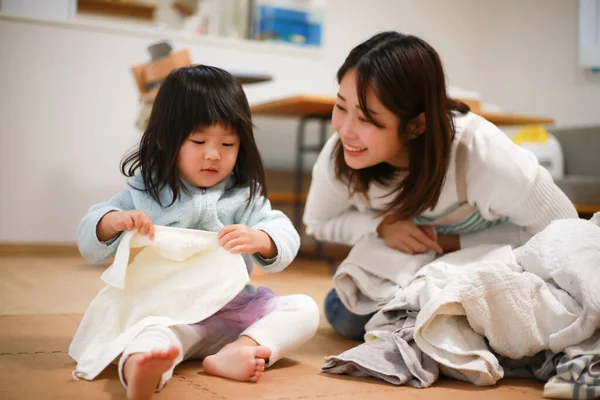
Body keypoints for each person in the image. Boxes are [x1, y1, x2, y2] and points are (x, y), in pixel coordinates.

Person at [303, 31, 577, 341]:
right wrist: (382, 226)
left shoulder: (482, 155)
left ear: (416, 124)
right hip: (414, 270)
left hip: (494, 260)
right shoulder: (339, 157)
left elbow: (564, 232)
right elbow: (318, 222)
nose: (346, 130)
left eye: (366, 119)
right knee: (346, 313)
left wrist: (449, 243)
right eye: (341, 107)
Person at [76, 65, 319, 399]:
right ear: (164, 139)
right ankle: (140, 372)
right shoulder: (144, 191)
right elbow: (90, 238)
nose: (213, 154)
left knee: (304, 308)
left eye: (228, 143)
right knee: (148, 339)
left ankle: (238, 351)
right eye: (199, 140)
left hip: (235, 313)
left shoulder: (243, 195)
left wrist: (261, 238)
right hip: (169, 316)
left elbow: (284, 232)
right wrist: (115, 221)